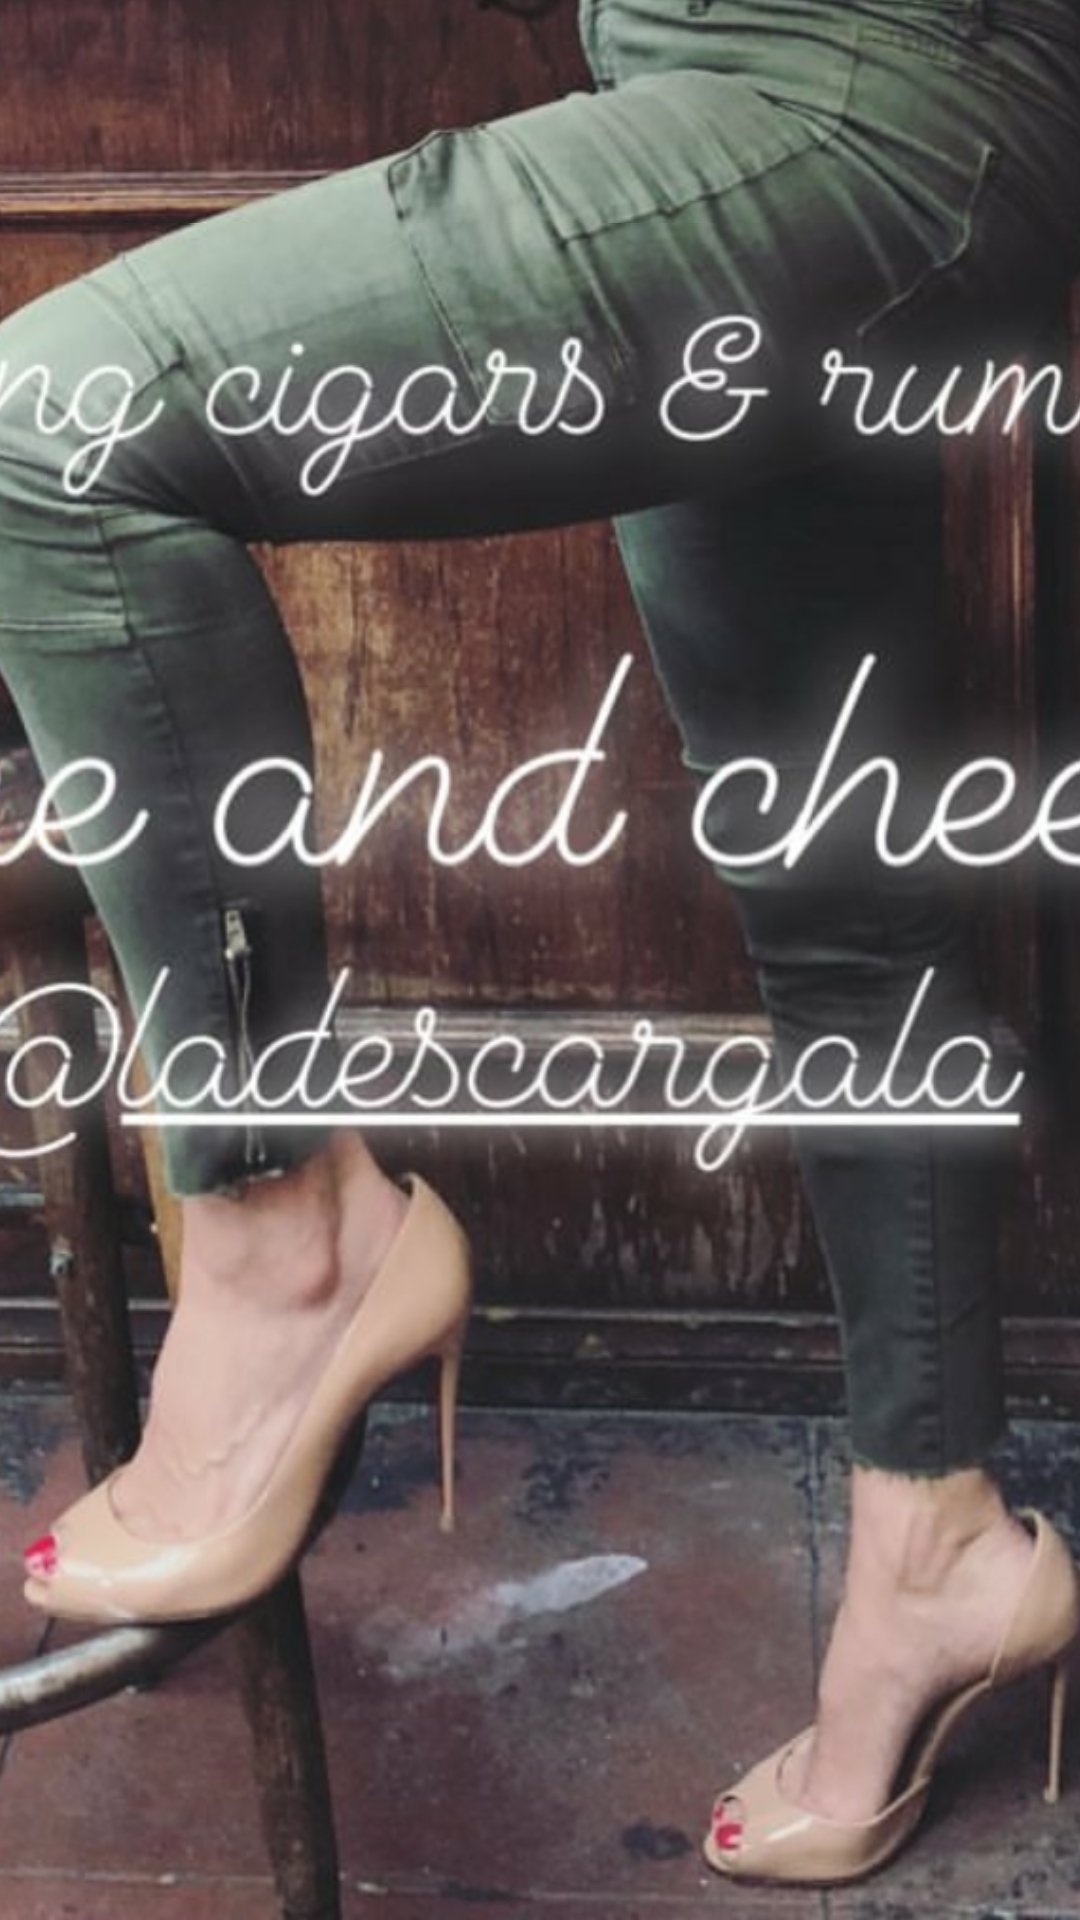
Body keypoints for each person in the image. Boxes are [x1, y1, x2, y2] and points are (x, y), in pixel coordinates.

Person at [1, 0, 1079, 1887]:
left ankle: (285, 1230)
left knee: (48, 432)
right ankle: (939, 1548)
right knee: (838, 890)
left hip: (852, 103)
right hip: (792, 114)